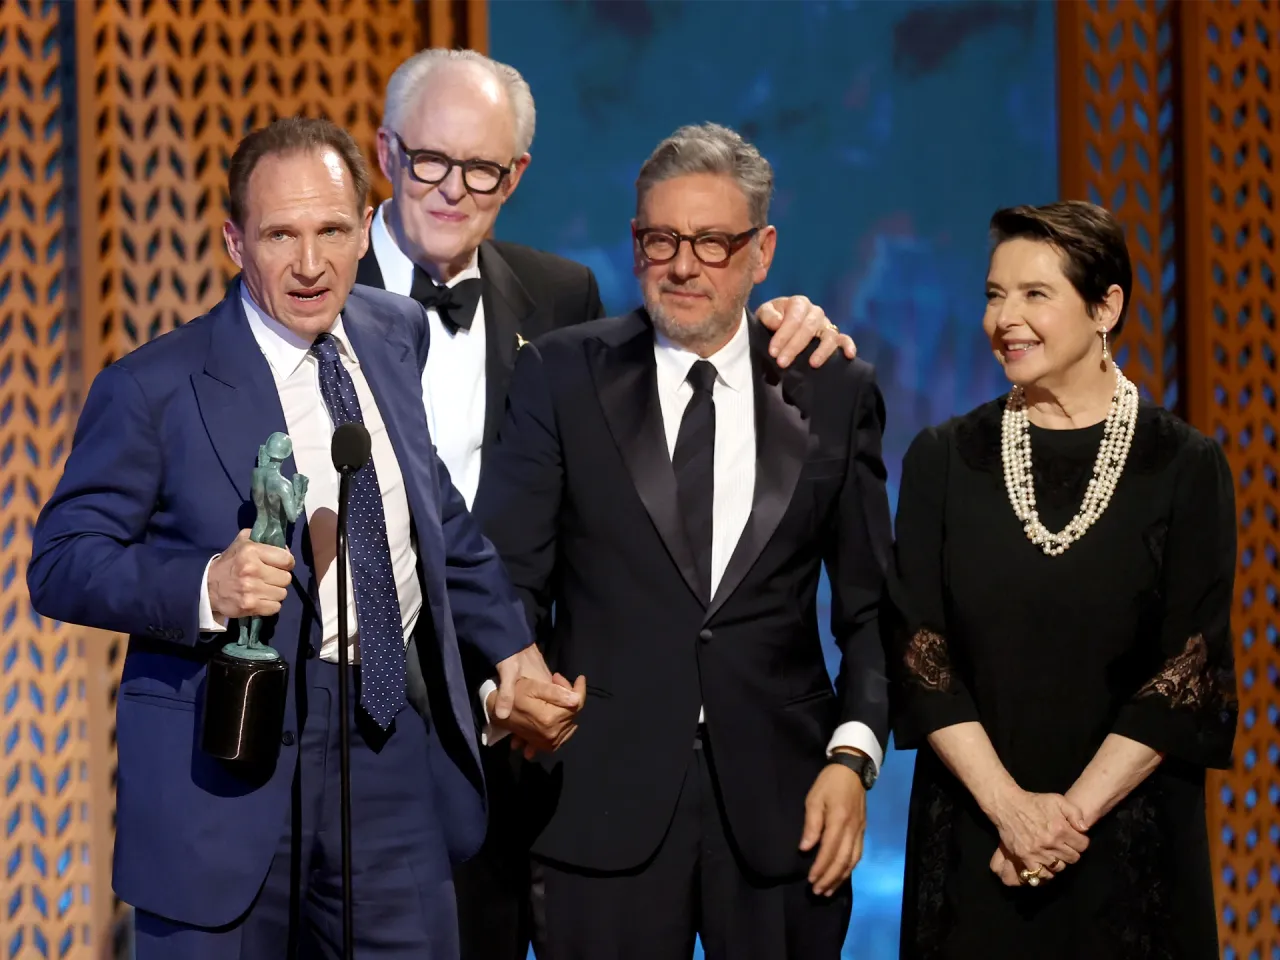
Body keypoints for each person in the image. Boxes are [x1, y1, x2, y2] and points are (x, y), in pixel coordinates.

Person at [27, 117, 579, 960]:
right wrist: (203, 585)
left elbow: (435, 517)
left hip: (389, 737)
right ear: (234, 241)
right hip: (228, 761)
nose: (310, 263)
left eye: (331, 230)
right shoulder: (154, 387)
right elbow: (62, 563)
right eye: (281, 234)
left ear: (366, 229)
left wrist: (512, 650)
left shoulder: (393, 335)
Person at [360, 47, 861, 960]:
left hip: (521, 737)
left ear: (514, 176)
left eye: (480, 169)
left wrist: (787, 323)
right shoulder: (307, 290)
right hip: (352, 711)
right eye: (431, 160)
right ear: (387, 153)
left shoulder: (553, 299)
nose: (450, 188)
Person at [472, 122, 893, 960]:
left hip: (787, 808)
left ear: (762, 251)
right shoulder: (562, 374)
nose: (684, 263)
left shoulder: (832, 387)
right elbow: (508, 573)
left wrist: (853, 759)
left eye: (712, 241)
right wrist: (511, 682)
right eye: (661, 238)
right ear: (635, 245)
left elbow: (872, 608)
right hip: (598, 804)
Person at [889, 200, 1238, 959]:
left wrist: (1058, 825)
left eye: (1034, 294)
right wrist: (1010, 813)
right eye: (993, 294)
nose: (1004, 318)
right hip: (977, 845)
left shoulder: (1184, 467)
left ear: (1106, 305)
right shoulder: (943, 461)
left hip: (1126, 847)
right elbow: (921, 653)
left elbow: (1188, 671)